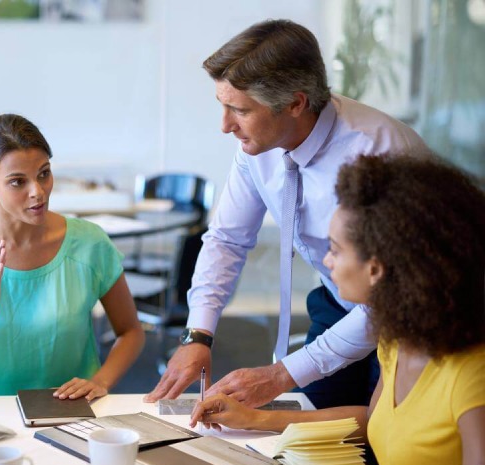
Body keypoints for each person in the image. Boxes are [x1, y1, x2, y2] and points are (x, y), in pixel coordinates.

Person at [146, 19, 428, 409]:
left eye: (239, 110)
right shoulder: (257, 146)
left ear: (296, 103)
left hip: (410, 319)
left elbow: (387, 299)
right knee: (307, 437)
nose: (225, 126)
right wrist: (199, 335)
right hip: (338, 298)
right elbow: (227, 239)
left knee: (380, 446)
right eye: (222, 106)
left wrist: (281, 375)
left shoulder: (381, 154)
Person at [191, 154, 485, 465]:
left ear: (376, 268)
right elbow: (372, 420)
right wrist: (256, 419)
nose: (326, 262)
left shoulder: (474, 377)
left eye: (335, 249)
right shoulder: (398, 340)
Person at [0, 113, 144, 398]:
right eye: (18, 182)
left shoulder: (90, 243)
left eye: (44, 173)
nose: (38, 192)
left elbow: (131, 331)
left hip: (69, 414)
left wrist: (101, 381)